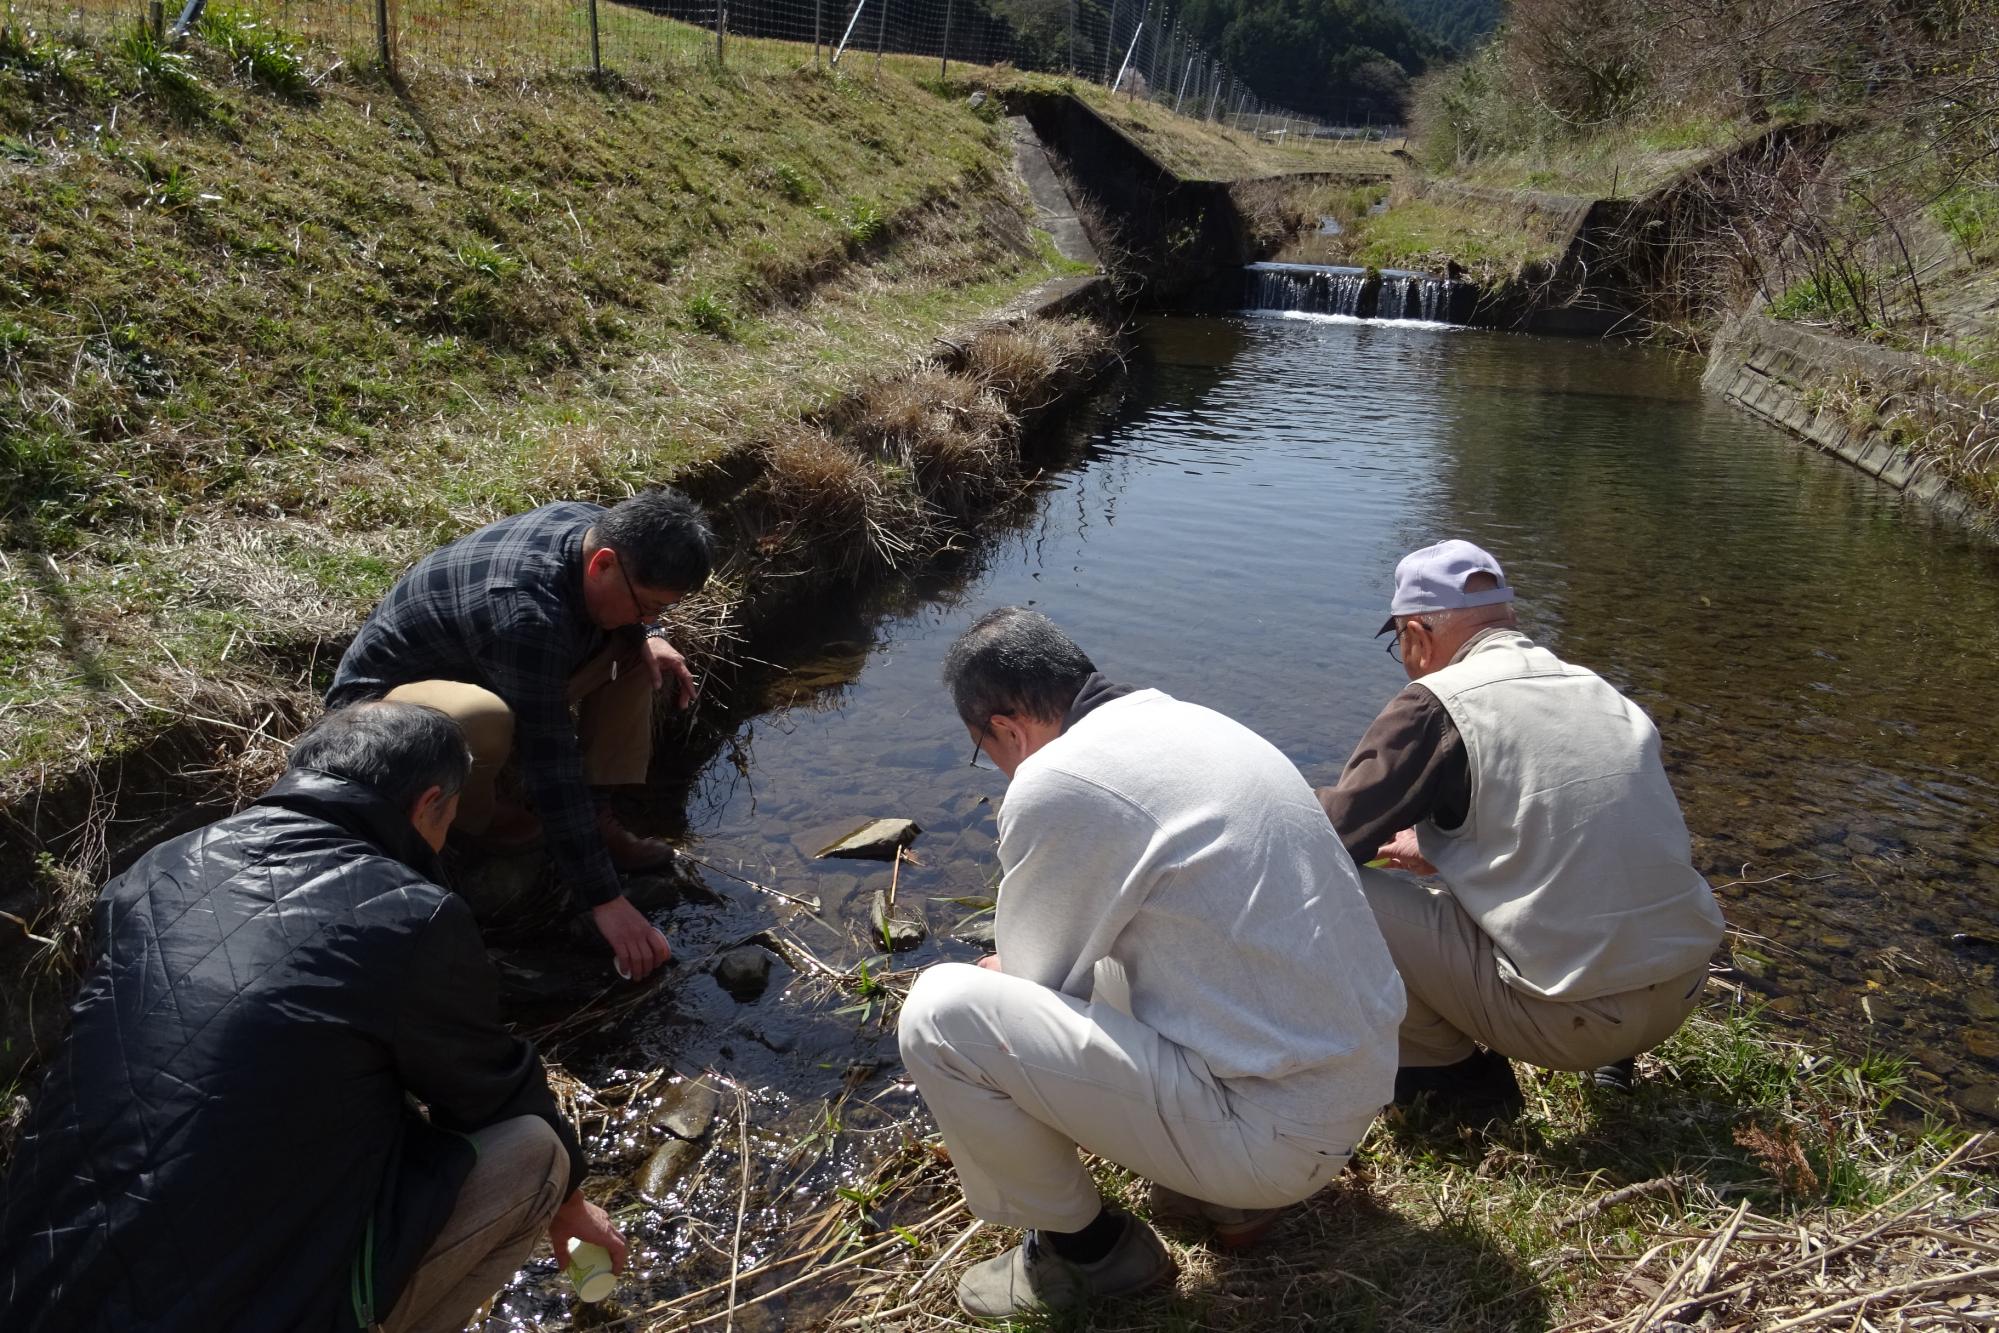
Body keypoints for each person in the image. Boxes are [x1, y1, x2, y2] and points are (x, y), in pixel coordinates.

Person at [0, 702, 625, 1333]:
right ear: (430, 803)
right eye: (451, 818)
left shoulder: (152, 871)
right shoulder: (410, 912)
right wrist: (571, 1205)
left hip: (35, 1280)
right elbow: (487, 1089)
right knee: (535, 1150)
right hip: (239, 1310)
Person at [899, 608, 1404, 1319]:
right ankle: (1228, 1197)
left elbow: (1031, 987)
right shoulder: (1195, 723)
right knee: (1122, 948)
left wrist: (998, 974)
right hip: (1353, 1084)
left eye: (988, 748)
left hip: (1278, 1136)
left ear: (1006, 726)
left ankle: (1090, 1254)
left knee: (939, 1013)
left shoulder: (1055, 778)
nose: (1002, 765)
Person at [1318, 539, 1726, 1115]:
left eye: (1400, 645)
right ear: (1506, 617)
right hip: (1681, 989)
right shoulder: (1599, 691)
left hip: (1572, 1021)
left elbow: (1325, 840)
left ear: (1416, 634)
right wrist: (1443, 846)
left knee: (1336, 890)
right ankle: (1615, 1058)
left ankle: (1451, 1078)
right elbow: (1583, 827)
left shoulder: (1434, 705)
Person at [327, 487, 716, 983]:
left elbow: (629, 621)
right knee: (482, 717)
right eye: (648, 606)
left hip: (491, 663)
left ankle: (597, 815)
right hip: (386, 712)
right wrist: (606, 900)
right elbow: (550, 762)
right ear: (602, 565)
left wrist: (649, 635)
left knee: (638, 657)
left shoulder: (603, 528)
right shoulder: (522, 611)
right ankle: (476, 823)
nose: (651, 618)